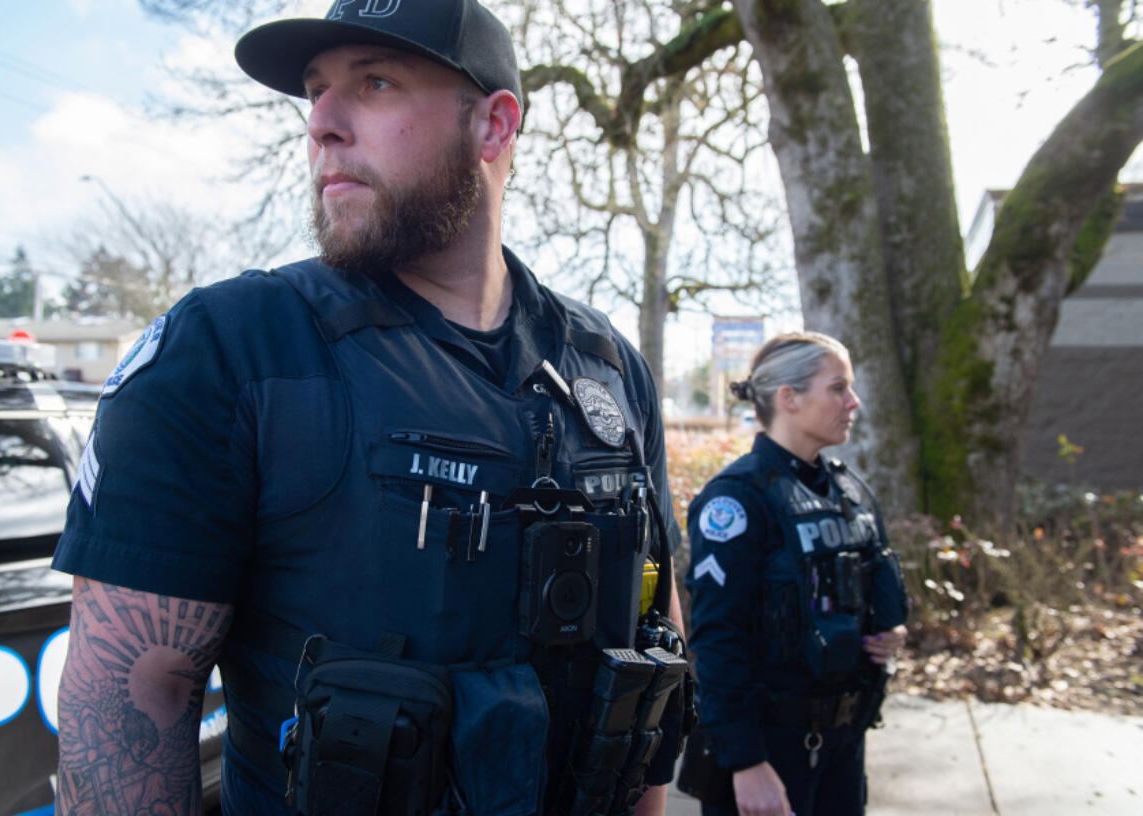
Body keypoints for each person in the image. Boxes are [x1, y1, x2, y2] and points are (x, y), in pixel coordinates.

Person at [51, 2, 689, 815]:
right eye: (315, 93)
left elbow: (651, 652)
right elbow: (130, 701)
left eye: (375, 83)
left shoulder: (608, 367)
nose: (322, 123)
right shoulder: (228, 350)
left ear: (493, 127)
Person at [678, 332, 909, 816]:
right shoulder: (738, 499)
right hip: (769, 749)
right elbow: (717, 639)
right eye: (838, 387)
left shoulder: (846, 491)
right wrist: (746, 762)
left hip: (843, 743)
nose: (854, 401)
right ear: (790, 398)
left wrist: (887, 635)